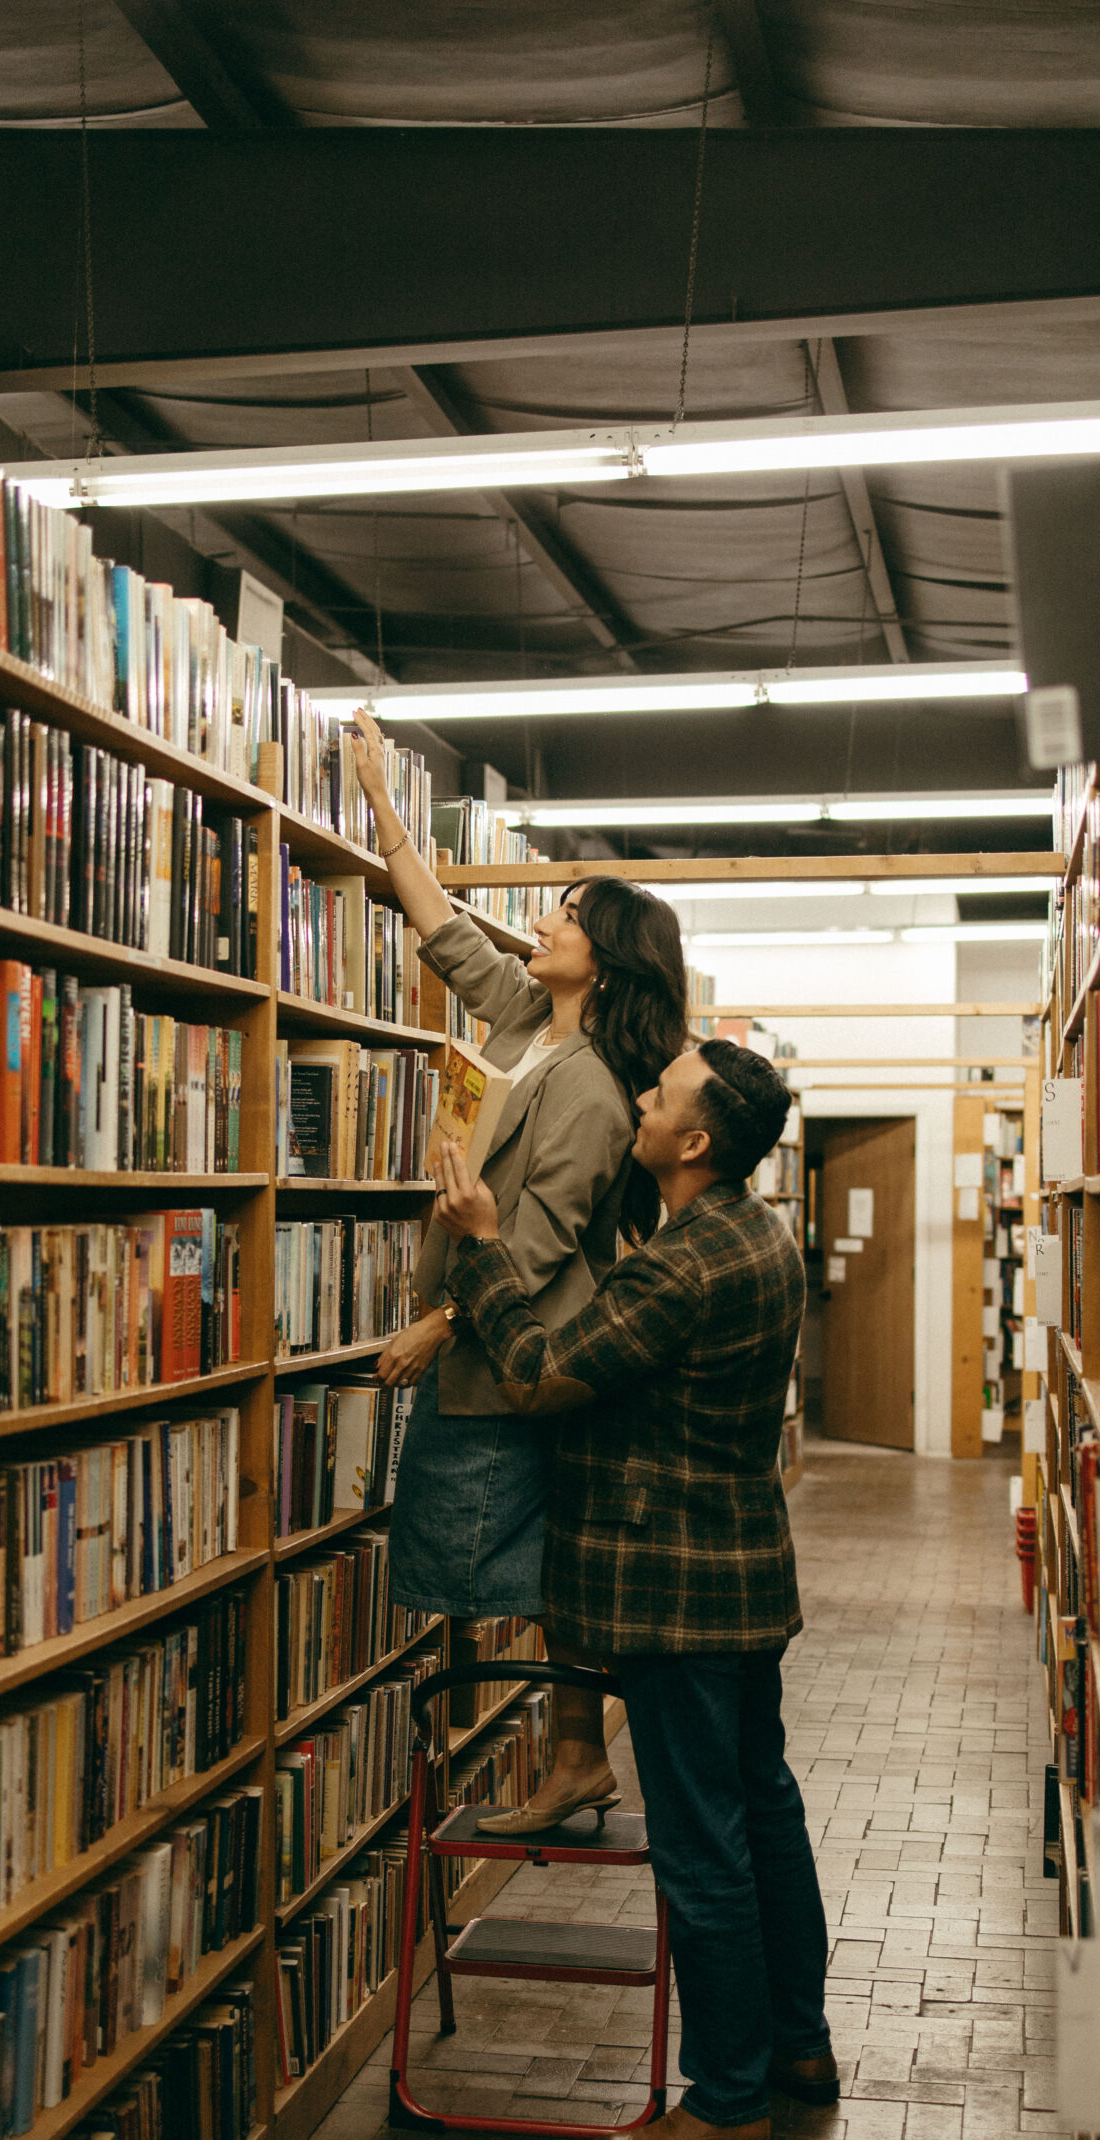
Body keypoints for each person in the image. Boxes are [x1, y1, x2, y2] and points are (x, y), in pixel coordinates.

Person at [431, 1038, 835, 2140]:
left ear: (694, 1143)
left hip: (675, 1597)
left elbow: (542, 1371)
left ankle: (726, 2099)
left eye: (658, 1096)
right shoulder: (756, 1232)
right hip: (741, 1578)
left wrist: (483, 1251)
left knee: (702, 1847)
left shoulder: (683, 1264)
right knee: (763, 1812)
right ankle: (794, 2046)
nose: (639, 1104)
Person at [345, 708, 690, 1832]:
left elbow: (534, 1247)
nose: (544, 919)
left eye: (571, 916)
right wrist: (383, 805)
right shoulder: (530, 1022)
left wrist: (439, 1325)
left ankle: (571, 1753)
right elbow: (446, 930)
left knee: (537, 1569)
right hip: (484, 1343)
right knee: (523, 1566)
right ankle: (556, 1751)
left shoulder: (589, 1084)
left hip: (519, 1360)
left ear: (610, 958)